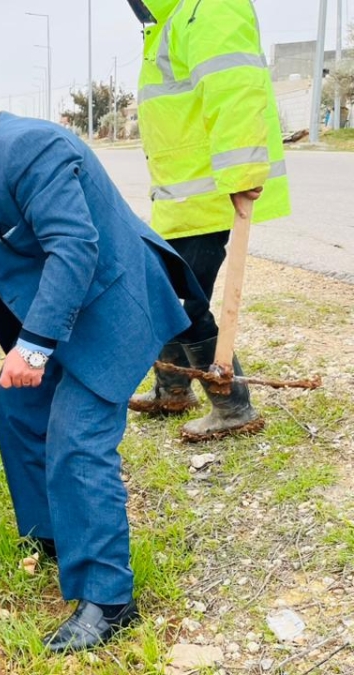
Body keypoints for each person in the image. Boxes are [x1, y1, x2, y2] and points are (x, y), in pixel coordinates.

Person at [0, 83, 200, 652]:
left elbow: (75, 247)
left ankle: (109, 600)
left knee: (78, 440)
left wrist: (33, 347)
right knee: (15, 406)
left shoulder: (30, 149)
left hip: (110, 305)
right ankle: (55, 533)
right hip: (65, 309)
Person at [125, 0, 290, 441]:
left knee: (184, 301)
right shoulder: (170, 21)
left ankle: (233, 407)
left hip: (210, 194)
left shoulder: (210, 7)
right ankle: (173, 389)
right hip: (179, 197)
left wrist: (241, 175)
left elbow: (235, 90)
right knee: (160, 290)